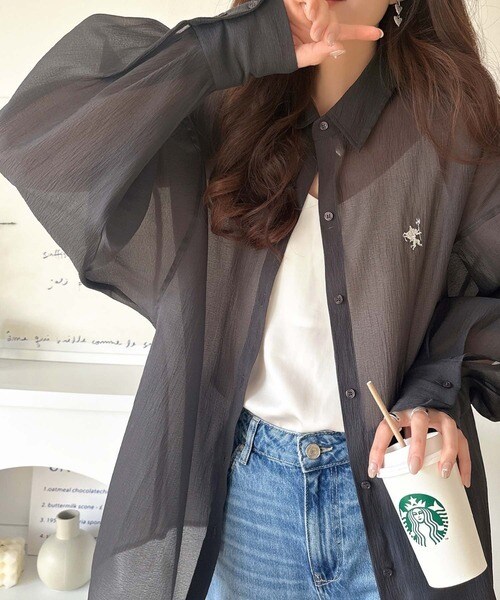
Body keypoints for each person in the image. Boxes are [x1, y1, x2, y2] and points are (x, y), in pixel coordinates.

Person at [0, 0, 498, 598]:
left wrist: (433, 393)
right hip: (249, 497)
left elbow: (482, 299)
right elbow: (40, 141)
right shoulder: (220, 103)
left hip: (404, 486)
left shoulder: (452, 121)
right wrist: (233, 47)